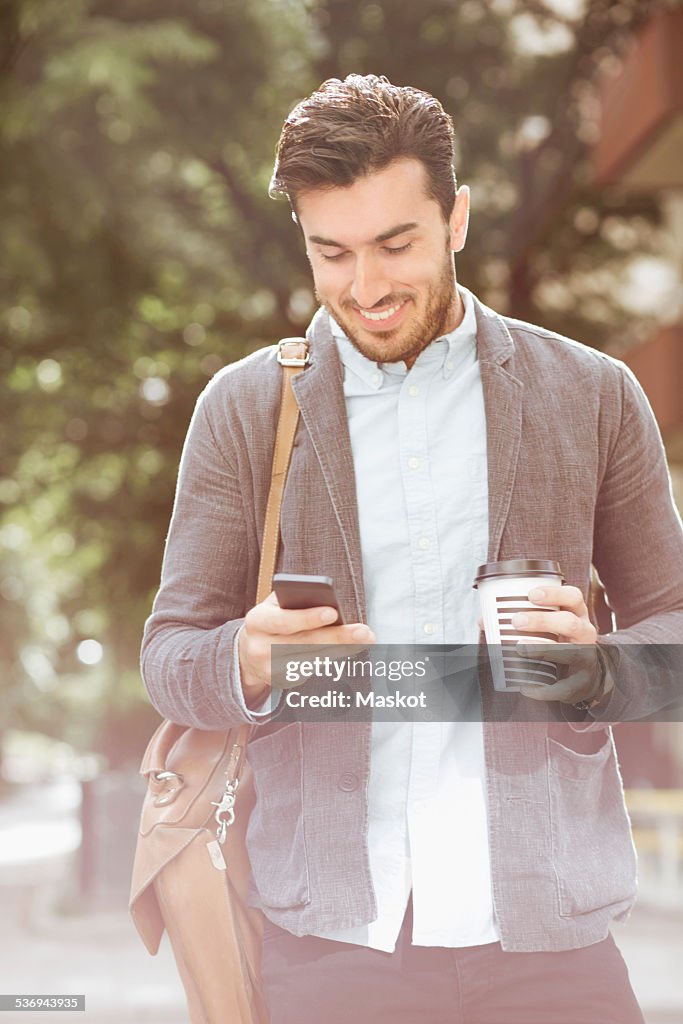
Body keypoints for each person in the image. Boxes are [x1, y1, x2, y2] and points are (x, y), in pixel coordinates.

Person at [141, 75, 683, 1023]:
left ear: (457, 218)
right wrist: (249, 659)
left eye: (397, 244)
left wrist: (598, 670)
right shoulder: (244, 408)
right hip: (334, 947)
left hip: (551, 938)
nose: (369, 287)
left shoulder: (592, 395)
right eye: (333, 253)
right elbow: (169, 657)